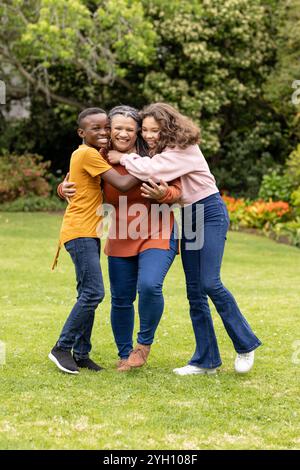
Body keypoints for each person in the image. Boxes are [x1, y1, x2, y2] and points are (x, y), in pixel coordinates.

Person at [108, 102, 262, 375]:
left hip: (209, 212)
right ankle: (206, 360)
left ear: (168, 127)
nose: (148, 135)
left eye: (154, 130)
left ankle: (245, 343)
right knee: (195, 292)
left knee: (210, 282)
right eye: (144, 130)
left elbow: (150, 171)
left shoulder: (183, 148)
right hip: (189, 215)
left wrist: (122, 158)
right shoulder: (163, 150)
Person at [58, 105, 181, 372]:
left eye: (129, 129)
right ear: (109, 131)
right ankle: (125, 353)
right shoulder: (100, 156)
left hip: (158, 229)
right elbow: (77, 181)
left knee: (149, 286)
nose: (123, 134)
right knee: (121, 298)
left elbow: (178, 188)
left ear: (137, 131)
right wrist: (61, 188)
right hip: (122, 232)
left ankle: (142, 346)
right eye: (117, 129)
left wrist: (165, 194)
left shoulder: (155, 155)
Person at [49, 107, 140, 375]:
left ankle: (81, 354)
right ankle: (62, 348)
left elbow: (74, 183)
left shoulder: (91, 154)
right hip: (79, 231)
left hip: (88, 230)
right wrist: (145, 164)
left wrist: (60, 188)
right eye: (95, 129)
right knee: (93, 293)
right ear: (81, 133)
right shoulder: (87, 153)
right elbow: (122, 184)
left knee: (86, 292)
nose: (103, 132)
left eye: (105, 127)